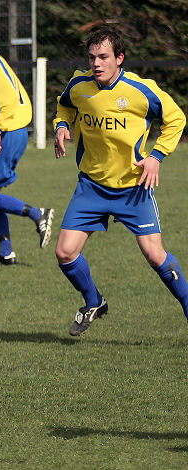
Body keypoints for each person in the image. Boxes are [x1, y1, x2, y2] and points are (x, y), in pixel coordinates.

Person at [53, 25, 188, 336]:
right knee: (65, 253)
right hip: (91, 186)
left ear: (119, 58)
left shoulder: (141, 91)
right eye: (92, 58)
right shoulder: (80, 85)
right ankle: (94, 301)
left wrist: (156, 157)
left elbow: (176, 118)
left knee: (155, 255)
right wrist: (61, 126)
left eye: (103, 57)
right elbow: (64, 105)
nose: (96, 63)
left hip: (133, 187)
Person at [0, 20, 54, 266]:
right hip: (14, 131)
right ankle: (6, 253)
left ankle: (38, 214)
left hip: (4, 132)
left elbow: (8, 98)